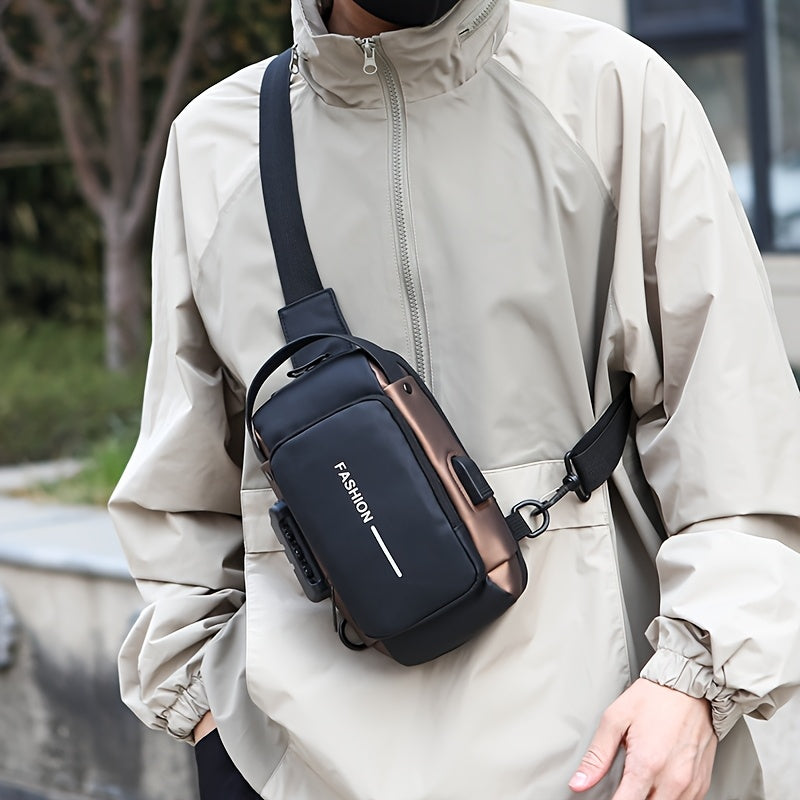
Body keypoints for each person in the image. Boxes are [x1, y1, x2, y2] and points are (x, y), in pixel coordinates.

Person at [109, 1, 800, 798]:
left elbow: (739, 433)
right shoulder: (214, 147)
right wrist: (211, 725)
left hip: (604, 757)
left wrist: (693, 682)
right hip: (309, 766)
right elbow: (183, 492)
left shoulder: (611, 92)